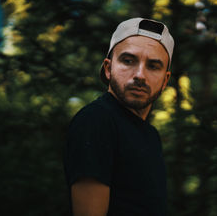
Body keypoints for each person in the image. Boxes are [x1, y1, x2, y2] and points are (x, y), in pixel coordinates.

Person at [64, 17, 175, 216]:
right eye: (128, 61)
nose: (140, 75)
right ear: (108, 68)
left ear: (165, 80)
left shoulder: (150, 135)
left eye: (153, 66)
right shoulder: (96, 121)